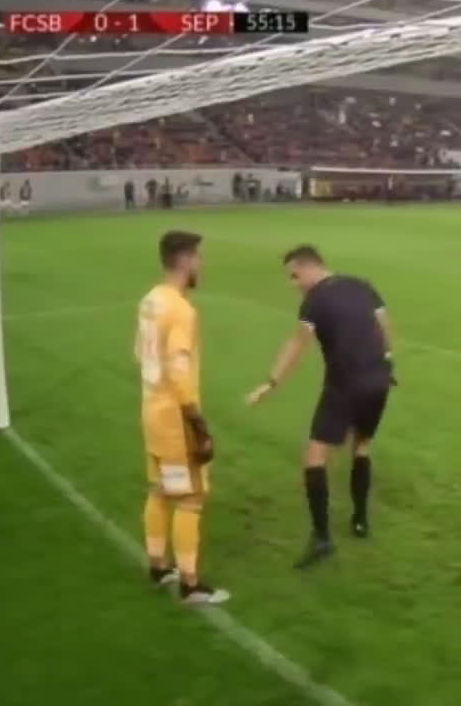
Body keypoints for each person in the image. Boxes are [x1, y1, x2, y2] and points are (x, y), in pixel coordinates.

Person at [247, 245, 395, 568]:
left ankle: (322, 538)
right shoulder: (362, 285)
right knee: (362, 445)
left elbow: (297, 345)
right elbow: (383, 324)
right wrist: (386, 360)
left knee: (314, 457)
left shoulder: (314, 299)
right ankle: (360, 520)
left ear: (310, 267)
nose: (293, 283)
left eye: (294, 276)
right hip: (379, 379)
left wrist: (270, 383)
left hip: (345, 385)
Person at [134, 231, 229, 605]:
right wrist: (199, 426)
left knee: (160, 489)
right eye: (198, 257)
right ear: (186, 260)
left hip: (151, 410)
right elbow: (178, 370)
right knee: (191, 496)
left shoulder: (151, 300)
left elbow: (140, 353)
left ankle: (159, 566)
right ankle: (190, 584)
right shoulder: (181, 310)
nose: (202, 264)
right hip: (175, 420)